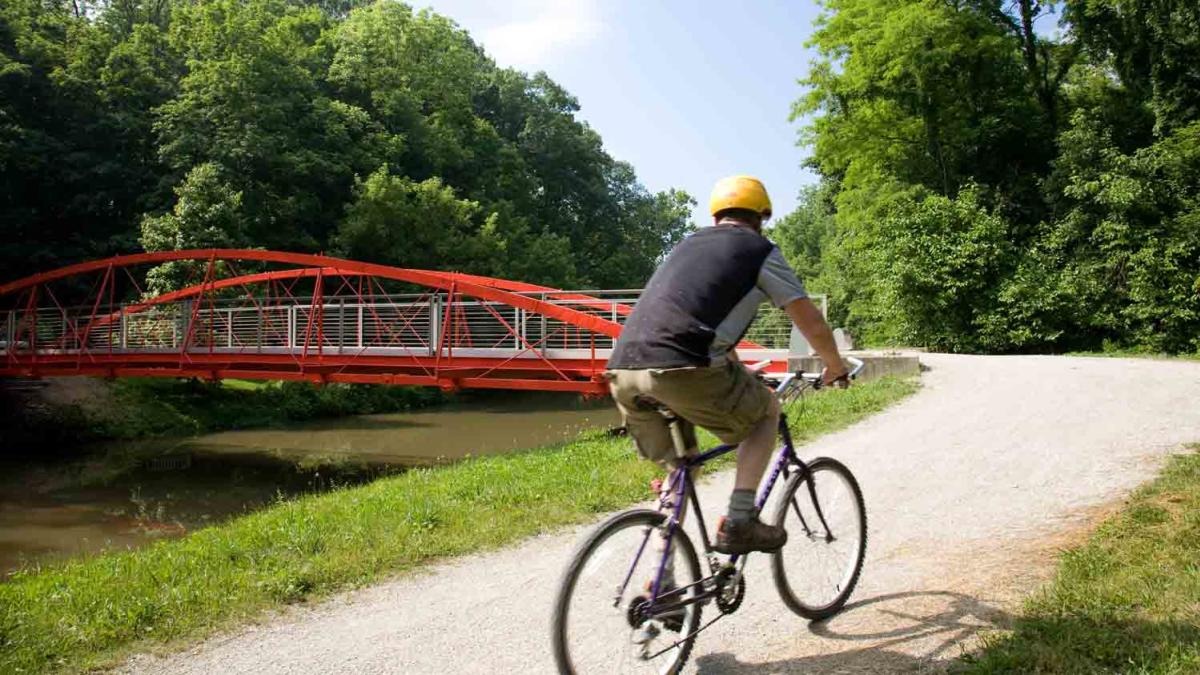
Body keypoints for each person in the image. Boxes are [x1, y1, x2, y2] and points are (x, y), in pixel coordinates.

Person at [605, 175, 850, 555]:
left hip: (623, 370)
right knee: (766, 413)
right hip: (683, 369)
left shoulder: (686, 246)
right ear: (760, 217)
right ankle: (740, 520)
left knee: (681, 468)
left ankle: (660, 582)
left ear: (718, 215)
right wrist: (835, 366)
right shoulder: (758, 250)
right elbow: (810, 321)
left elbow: (701, 317)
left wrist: (737, 371)